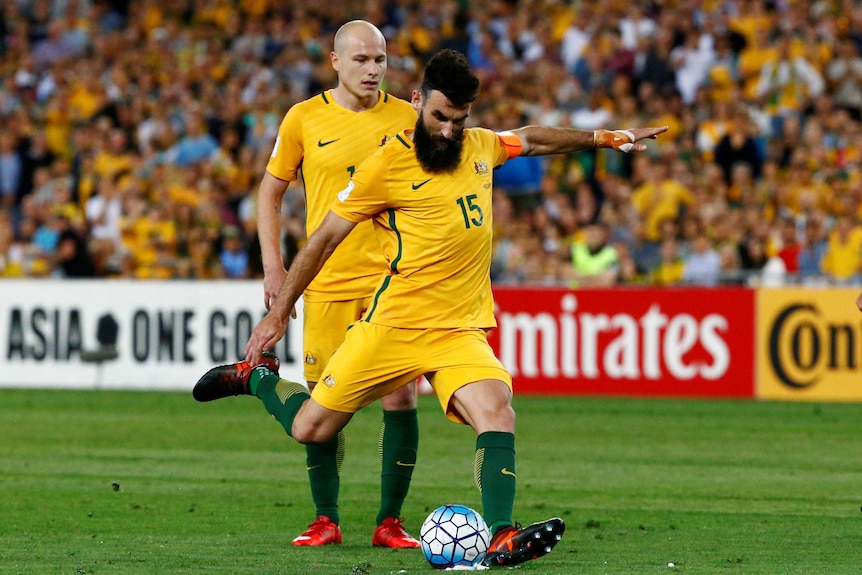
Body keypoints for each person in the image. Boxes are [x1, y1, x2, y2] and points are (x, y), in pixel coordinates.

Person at [194, 49, 666, 567]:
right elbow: (324, 238)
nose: (447, 131)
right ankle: (256, 379)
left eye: (459, 121)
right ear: (417, 101)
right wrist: (279, 311)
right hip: (392, 326)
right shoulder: (386, 165)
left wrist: (606, 137)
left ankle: (502, 535)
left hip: (458, 330)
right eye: (439, 117)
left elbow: (530, 138)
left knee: (497, 411)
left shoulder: (482, 146)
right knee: (310, 429)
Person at [205, 21, 422, 549]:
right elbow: (269, 193)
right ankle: (326, 518)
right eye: (362, 60)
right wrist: (274, 268)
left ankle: (389, 522)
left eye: (381, 60)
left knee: (402, 399)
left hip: (390, 285)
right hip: (323, 284)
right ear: (335, 61)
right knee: (322, 416)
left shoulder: (407, 116)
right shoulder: (304, 118)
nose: (373, 69)